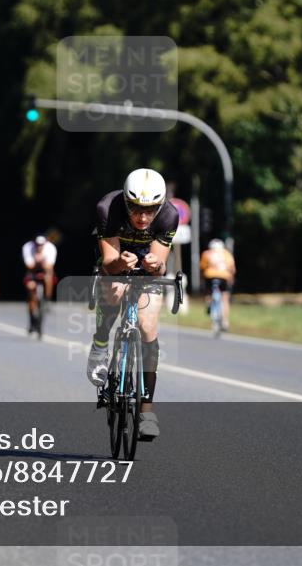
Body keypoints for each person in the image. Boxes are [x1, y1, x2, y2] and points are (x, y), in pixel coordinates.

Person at [86, 168, 178, 440]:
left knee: (148, 327)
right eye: (136, 208)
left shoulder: (170, 216)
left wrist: (156, 264)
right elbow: (109, 263)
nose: (143, 216)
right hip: (115, 258)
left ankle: (147, 412)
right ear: (126, 201)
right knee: (114, 289)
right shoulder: (108, 209)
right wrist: (119, 264)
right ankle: (101, 343)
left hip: (145, 264)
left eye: (150, 210)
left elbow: (160, 267)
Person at [22, 233, 57, 334]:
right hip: (32, 272)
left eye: (41, 245)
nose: (39, 247)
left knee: (48, 277)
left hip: (45, 270)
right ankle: (32, 319)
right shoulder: (27, 247)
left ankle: (47, 298)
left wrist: (40, 260)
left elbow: (49, 266)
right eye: (37, 244)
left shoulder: (50, 248)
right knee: (31, 288)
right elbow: (29, 265)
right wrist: (37, 261)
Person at [200, 238, 236, 331]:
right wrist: (231, 279)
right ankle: (225, 322)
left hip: (210, 276)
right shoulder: (226, 254)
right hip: (224, 277)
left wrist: (202, 279)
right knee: (225, 298)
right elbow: (232, 268)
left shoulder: (207, 253)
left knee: (208, 291)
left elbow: (202, 267)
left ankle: (208, 303)